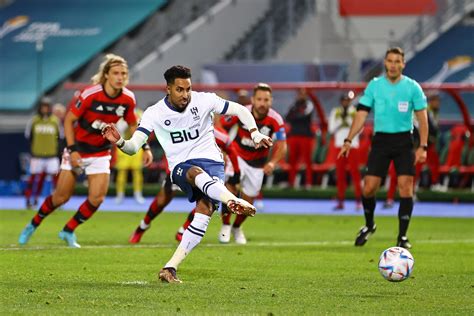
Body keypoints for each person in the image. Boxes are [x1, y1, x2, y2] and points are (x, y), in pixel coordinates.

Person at [102, 65, 272, 283]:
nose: (185, 95)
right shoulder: (154, 113)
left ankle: (170, 268)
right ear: (168, 89)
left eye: (188, 89)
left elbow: (240, 110)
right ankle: (231, 200)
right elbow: (134, 146)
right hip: (181, 167)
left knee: (204, 211)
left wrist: (255, 133)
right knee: (193, 174)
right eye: (180, 90)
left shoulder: (204, 100)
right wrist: (119, 142)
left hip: (212, 163)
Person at [18, 54, 153, 248]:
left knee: (96, 198)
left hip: (101, 152)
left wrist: (145, 147)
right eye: (116, 73)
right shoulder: (90, 94)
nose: (120, 77)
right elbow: (68, 120)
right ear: (106, 75)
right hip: (78, 150)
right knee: (60, 198)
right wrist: (72, 151)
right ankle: (33, 224)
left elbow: (133, 124)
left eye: (124, 73)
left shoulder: (128, 99)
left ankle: (68, 230)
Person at [338, 47, 428, 249]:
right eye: (390, 61)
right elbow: (361, 114)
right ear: (385, 63)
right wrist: (348, 139)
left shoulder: (413, 87)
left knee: (406, 186)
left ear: (403, 64)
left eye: (398, 61)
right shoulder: (375, 86)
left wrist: (423, 146)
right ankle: (370, 225)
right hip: (381, 142)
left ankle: (402, 237)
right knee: (368, 188)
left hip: (404, 141)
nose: (393, 65)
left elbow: (423, 119)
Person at [128, 126, 241, 243]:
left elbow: (230, 148)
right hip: (180, 167)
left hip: (204, 171)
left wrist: (237, 172)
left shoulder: (213, 132)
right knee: (162, 201)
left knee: (207, 201)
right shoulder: (182, 126)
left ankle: (182, 231)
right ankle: (142, 226)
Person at [217, 83, 287, 244]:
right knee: (229, 190)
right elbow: (220, 124)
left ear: (271, 101)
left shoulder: (275, 119)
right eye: (259, 99)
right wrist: (224, 148)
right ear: (253, 100)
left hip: (258, 165)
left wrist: (272, 163)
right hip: (237, 157)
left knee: (249, 202)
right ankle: (225, 226)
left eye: (266, 100)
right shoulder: (242, 112)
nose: (262, 103)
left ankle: (236, 227)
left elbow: (283, 145)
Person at [24, 98, 63, 209]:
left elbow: (60, 137)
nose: (45, 109)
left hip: (52, 156)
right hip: (37, 156)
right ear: (40, 108)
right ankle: (30, 200)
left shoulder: (55, 121)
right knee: (33, 179)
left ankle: (57, 201)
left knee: (56, 179)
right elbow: (29, 136)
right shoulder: (34, 121)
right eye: (43, 106)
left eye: (47, 106)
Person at [328, 92, 362, 211]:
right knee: (340, 174)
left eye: (348, 100)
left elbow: (361, 128)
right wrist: (341, 124)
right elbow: (331, 129)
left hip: (353, 145)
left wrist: (349, 123)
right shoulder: (336, 112)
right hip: (339, 145)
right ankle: (341, 201)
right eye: (344, 100)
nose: (346, 102)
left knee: (355, 174)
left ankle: (358, 201)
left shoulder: (355, 112)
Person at [114, 108, 147, 204]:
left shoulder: (140, 113)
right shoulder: (120, 114)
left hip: (136, 145)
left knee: (137, 172)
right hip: (123, 145)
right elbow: (119, 129)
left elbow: (142, 128)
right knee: (121, 172)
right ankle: (119, 195)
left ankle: (138, 194)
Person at [285, 88, 315, 189]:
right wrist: (296, 114)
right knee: (292, 160)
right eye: (300, 94)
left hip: (305, 136)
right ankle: (291, 183)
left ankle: (308, 183)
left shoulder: (309, 105)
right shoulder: (294, 105)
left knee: (307, 161)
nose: (301, 96)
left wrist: (295, 115)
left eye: (303, 94)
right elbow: (287, 117)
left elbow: (304, 116)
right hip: (294, 136)